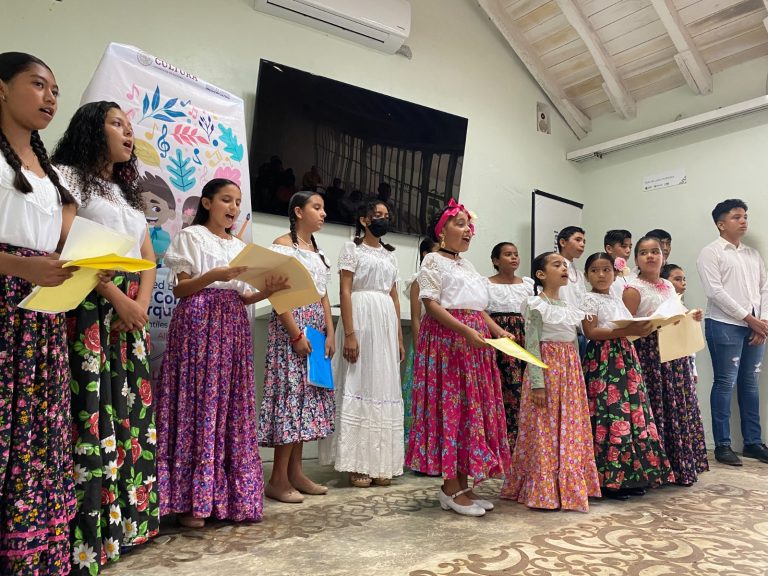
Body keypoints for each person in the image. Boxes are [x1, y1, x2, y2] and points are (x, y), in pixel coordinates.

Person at [52, 101, 159, 573]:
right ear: (91, 130)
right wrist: (118, 296)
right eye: (116, 123)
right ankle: (87, 535)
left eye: (130, 126)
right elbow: (70, 247)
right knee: (91, 414)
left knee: (128, 413)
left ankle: (126, 525)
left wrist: (138, 304)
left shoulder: (125, 192)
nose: (126, 133)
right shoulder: (67, 177)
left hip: (128, 314)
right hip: (91, 308)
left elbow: (148, 256)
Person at [157, 179, 284, 528]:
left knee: (228, 403)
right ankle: (189, 501)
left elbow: (241, 296)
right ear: (208, 202)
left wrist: (266, 292)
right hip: (198, 321)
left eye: (237, 202)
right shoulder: (190, 236)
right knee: (198, 402)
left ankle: (223, 497)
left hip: (232, 323)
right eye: (226, 200)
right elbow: (181, 287)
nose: (233, 208)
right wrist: (213, 274)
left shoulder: (239, 246)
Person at [0, 51, 78, 575]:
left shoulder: (49, 175)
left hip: (41, 316)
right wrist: (19, 267)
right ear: (1, 88)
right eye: (38, 84)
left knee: (38, 427)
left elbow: (54, 244)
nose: (50, 97)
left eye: (54, 89)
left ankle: (34, 551)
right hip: (8, 305)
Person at [406, 200, 512, 518]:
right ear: (442, 232)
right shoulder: (432, 262)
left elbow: (477, 305)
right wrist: (466, 331)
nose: (468, 231)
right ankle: (450, 487)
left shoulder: (467, 265)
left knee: (470, 412)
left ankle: (462, 485)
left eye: (469, 225)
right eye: (460, 224)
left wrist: (496, 331)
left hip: (473, 345)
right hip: (448, 345)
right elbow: (432, 305)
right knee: (453, 410)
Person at [501, 252, 600, 512]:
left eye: (565, 265)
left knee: (568, 426)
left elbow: (573, 344)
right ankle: (542, 489)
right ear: (541, 274)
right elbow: (531, 343)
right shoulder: (535, 304)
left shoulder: (571, 307)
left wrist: (577, 378)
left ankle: (567, 487)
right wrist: (537, 382)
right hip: (546, 370)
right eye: (557, 265)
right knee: (543, 427)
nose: (564, 268)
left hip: (569, 372)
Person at [259, 191, 336, 503]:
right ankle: (277, 479)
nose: (323, 213)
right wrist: (293, 333)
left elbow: (323, 295)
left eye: (323, 208)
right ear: (298, 211)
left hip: (315, 328)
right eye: (316, 207)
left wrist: (330, 332)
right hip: (292, 327)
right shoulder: (281, 246)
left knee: (306, 401)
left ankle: (296, 472)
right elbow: (277, 294)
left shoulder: (317, 251)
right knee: (290, 399)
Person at [322, 201, 405, 487]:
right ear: (364, 220)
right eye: (376, 216)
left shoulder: (391, 256)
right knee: (359, 382)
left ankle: (381, 462)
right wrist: (350, 333)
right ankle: (357, 463)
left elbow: (394, 297)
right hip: (360, 316)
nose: (382, 220)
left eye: (386, 216)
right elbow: (344, 290)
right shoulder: (351, 249)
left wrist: (398, 337)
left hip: (384, 322)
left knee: (382, 386)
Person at [580, 252, 675, 500]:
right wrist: (629, 329)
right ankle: (606, 479)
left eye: (606, 270)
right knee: (608, 412)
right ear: (586, 275)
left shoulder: (617, 299)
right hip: (602, 360)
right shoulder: (588, 299)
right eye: (595, 270)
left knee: (632, 412)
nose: (601, 275)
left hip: (625, 357)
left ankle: (630, 476)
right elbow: (591, 332)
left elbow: (631, 326)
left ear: (614, 273)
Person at [624, 237, 709, 485]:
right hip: (648, 352)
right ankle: (654, 469)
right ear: (636, 259)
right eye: (643, 252)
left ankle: (678, 464)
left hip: (673, 352)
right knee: (654, 405)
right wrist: (651, 321)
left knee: (676, 405)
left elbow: (676, 315)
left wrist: (690, 316)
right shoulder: (632, 288)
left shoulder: (668, 286)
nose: (650, 256)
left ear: (663, 256)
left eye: (655, 252)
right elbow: (627, 326)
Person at [697, 199, 768, 466]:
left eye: (745, 216)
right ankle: (723, 445)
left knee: (750, 384)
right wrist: (750, 319)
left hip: (756, 326)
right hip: (724, 325)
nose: (744, 221)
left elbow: (765, 288)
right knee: (725, 382)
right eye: (737, 216)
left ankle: (753, 442)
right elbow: (715, 292)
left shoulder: (752, 254)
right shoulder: (711, 252)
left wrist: (763, 321)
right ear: (721, 224)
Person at [485, 242, 534, 454]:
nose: (514, 258)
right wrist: (498, 332)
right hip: (499, 339)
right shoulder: (485, 283)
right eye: (507, 254)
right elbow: (480, 311)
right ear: (496, 260)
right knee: (502, 388)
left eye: (516, 254)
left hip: (524, 338)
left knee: (523, 389)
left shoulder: (528, 284)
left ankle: (521, 444)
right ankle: (500, 445)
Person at [401, 237, 437, 454]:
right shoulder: (418, 281)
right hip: (424, 342)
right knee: (420, 396)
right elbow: (416, 318)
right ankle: (419, 449)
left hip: (443, 343)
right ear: (425, 254)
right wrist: (419, 345)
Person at [557, 226, 587, 356]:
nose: (582, 244)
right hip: (563, 333)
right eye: (578, 240)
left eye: (584, 242)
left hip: (581, 332)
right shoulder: (555, 268)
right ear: (563, 242)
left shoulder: (578, 273)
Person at [604, 229, 633, 298]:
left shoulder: (631, 273)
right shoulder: (603, 273)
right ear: (609, 249)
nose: (628, 250)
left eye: (630, 247)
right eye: (624, 246)